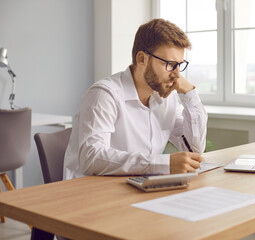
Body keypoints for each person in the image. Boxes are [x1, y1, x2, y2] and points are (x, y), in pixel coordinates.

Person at [63, 18, 208, 180]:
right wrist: (163, 164)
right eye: (169, 64)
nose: (176, 74)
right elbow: (91, 158)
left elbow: (194, 150)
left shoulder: (166, 97)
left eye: (179, 65)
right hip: (89, 195)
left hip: (137, 188)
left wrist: (189, 94)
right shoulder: (104, 94)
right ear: (142, 59)